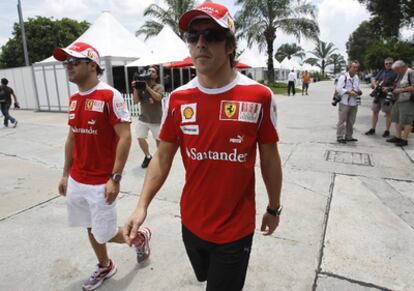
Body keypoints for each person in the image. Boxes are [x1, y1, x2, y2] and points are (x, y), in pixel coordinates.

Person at [123, 2, 283, 291]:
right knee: (205, 277)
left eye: (211, 36)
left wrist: (274, 208)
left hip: (236, 230)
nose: (200, 44)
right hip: (191, 224)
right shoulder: (179, 99)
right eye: (192, 37)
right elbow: (162, 156)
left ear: (230, 44)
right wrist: (141, 206)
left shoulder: (259, 96)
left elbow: (270, 157)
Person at [55, 42, 151, 291]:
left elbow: (125, 136)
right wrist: (66, 174)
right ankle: (105, 265)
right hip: (77, 179)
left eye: (74, 62)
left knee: (105, 232)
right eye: (66, 62)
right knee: (90, 226)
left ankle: (139, 238)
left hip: (101, 181)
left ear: (92, 65)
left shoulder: (109, 95)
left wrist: (115, 178)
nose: (69, 67)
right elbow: (72, 137)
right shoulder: (75, 99)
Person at [132, 66, 165, 168]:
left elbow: (158, 98)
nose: (150, 72)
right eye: (149, 71)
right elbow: (135, 101)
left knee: (158, 140)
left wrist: (147, 87)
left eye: (153, 71)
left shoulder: (159, 86)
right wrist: (135, 88)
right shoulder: (140, 86)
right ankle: (148, 156)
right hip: (143, 119)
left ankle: (159, 158)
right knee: (140, 137)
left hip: (156, 120)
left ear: (156, 75)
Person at [365, 57, 398, 137]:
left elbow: (397, 85)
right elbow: (374, 79)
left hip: (387, 96)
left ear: (393, 63)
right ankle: (373, 129)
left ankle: (387, 130)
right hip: (377, 95)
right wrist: (375, 84)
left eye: (390, 63)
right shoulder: (381, 71)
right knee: (375, 112)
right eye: (386, 63)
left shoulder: (395, 73)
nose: (388, 65)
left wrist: (388, 88)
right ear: (384, 64)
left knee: (388, 113)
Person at [386, 60, 414, 147]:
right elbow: (397, 85)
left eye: (396, 70)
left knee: (407, 121)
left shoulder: (410, 73)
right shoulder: (399, 74)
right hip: (398, 100)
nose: (395, 72)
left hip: (407, 101)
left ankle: (404, 140)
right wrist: (390, 88)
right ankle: (398, 137)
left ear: (402, 67)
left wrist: (401, 90)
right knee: (397, 119)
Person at [336, 61, 361, 143]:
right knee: (342, 120)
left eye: (357, 67)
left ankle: (349, 136)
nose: (355, 69)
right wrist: (349, 92)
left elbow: (357, 87)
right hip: (344, 102)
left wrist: (356, 91)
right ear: (349, 67)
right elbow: (339, 89)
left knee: (351, 121)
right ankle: (340, 136)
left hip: (354, 102)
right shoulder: (343, 77)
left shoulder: (356, 77)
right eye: (354, 67)